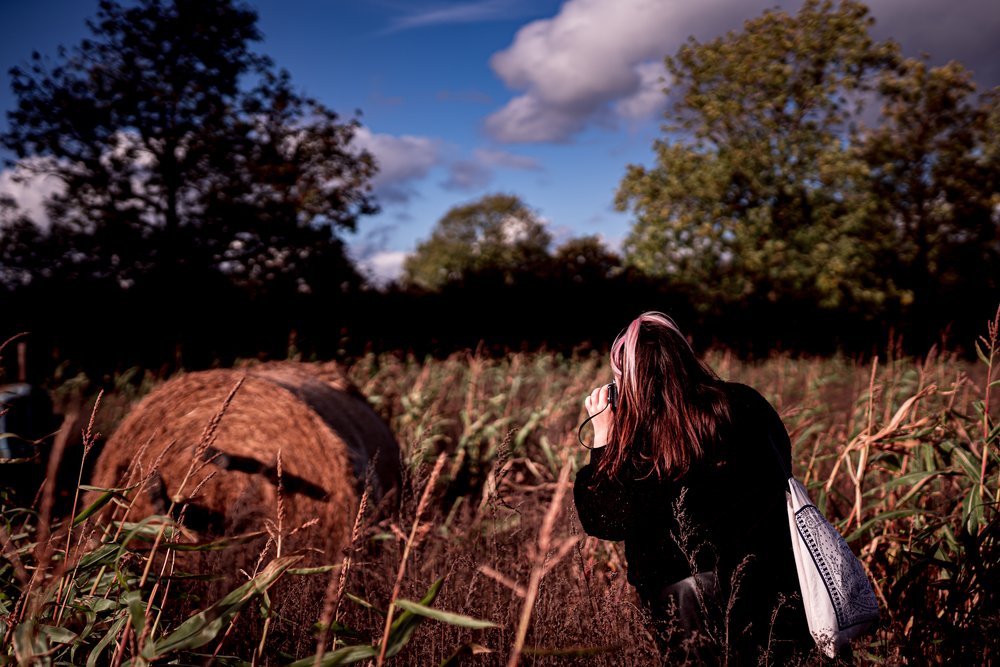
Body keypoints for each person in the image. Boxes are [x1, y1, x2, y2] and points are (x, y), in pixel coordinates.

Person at [574, 312, 812, 665]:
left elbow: (606, 520)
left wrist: (602, 439)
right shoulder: (745, 404)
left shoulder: (639, 441)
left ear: (627, 380)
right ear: (684, 356)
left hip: (683, 603)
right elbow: (782, 469)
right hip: (774, 585)